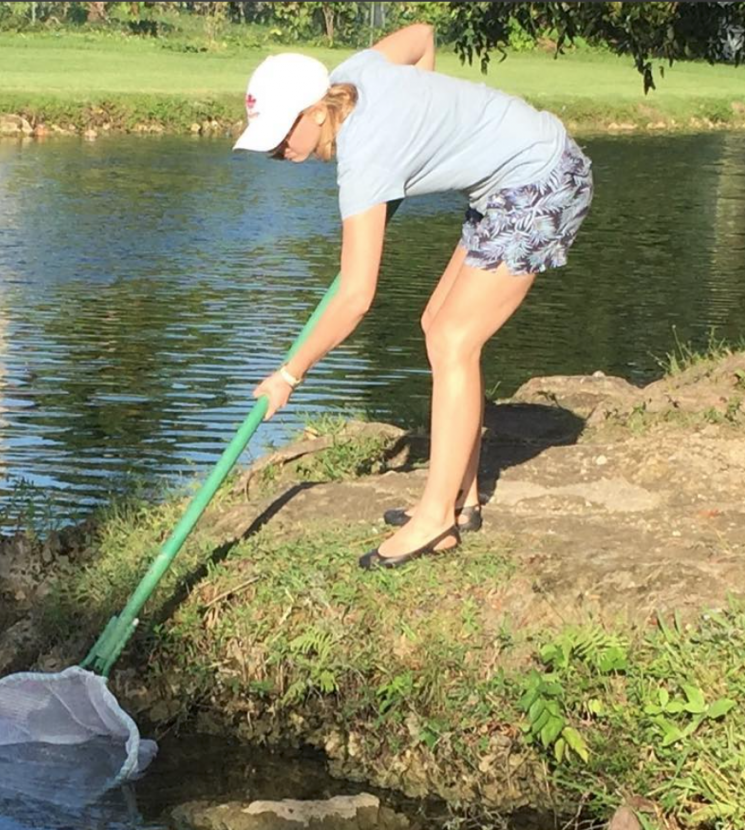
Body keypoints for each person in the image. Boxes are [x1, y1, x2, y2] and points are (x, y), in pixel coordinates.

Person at [234, 23, 593, 570]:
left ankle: (436, 521)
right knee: (437, 325)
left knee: (454, 339)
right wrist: (424, 117)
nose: (276, 152)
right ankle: (462, 496)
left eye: (281, 135)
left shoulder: (366, 155)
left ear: (314, 112)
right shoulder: (356, 72)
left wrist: (290, 373)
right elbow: (422, 37)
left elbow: (356, 294)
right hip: (504, 187)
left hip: (542, 179)